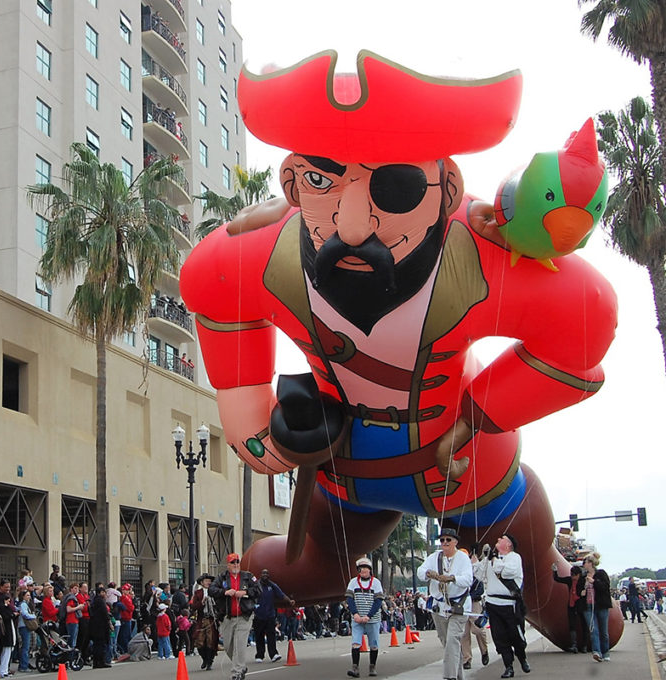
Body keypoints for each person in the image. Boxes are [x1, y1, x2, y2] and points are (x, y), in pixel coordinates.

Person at [179, 50, 619, 655]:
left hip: (471, 475)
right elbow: (208, 283)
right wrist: (258, 428)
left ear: (449, 190)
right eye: (321, 181)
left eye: (396, 186)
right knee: (301, 573)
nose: (353, 224)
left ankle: (570, 596)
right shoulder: (267, 255)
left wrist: (478, 415)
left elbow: (586, 320)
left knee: (564, 617)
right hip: (348, 478)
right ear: (290, 180)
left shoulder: (477, 252)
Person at [418, 527, 472, 680]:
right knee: (447, 642)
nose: (445, 542)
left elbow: (468, 580)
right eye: (442, 540)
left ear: (455, 542)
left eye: (448, 540)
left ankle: (450, 677)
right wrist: (429, 573)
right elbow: (420, 572)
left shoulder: (463, 558)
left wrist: (452, 578)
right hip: (439, 607)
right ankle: (459, 675)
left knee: (452, 642)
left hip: (458, 607)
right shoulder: (434, 557)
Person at [209, 553, 261, 680]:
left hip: (244, 616)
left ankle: (236, 672)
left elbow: (258, 590)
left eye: (237, 562)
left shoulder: (248, 576)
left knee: (240, 644)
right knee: (227, 646)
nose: (236, 564)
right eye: (233, 562)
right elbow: (211, 590)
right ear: (228, 565)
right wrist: (225, 592)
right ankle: (241, 665)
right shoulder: (221, 577)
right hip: (227, 617)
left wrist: (245, 592)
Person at [483, 534, 528, 677]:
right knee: (499, 636)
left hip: (510, 605)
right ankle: (508, 666)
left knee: (516, 636)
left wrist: (494, 559)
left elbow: (508, 572)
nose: (497, 540)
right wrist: (479, 558)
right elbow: (479, 574)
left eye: (501, 539)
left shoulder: (514, 557)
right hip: (493, 604)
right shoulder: (491, 559)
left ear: (508, 544)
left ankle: (522, 658)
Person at [345, 558, 383, 678]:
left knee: (373, 644)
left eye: (366, 568)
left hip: (372, 619)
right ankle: (355, 667)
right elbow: (349, 599)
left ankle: (372, 666)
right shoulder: (353, 582)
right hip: (357, 618)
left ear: (370, 570)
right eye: (361, 568)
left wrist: (369, 616)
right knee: (356, 643)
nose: (363, 570)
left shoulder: (376, 583)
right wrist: (355, 614)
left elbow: (378, 601)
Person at [461, 546, 489, 669]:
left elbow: (480, 589)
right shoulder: (457, 572)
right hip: (461, 605)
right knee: (464, 633)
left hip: (473, 603)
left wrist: (468, 597)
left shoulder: (475, 573)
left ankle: (484, 651)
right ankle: (467, 659)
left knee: (477, 629)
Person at [252, 569, 287, 664]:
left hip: (270, 615)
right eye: (263, 573)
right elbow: (250, 596)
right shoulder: (256, 585)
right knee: (259, 636)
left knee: (271, 635)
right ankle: (259, 655)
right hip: (258, 615)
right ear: (260, 575)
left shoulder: (272, 585)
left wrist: (289, 601)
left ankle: (273, 654)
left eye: (267, 573)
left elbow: (281, 594)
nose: (265, 575)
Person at [552, 564, 588, 653]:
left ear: (579, 575)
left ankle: (584, 645)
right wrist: (555, 571)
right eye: (572, 575)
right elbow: (557, 579)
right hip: (572, 605)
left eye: (574, 575)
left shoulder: (583, 581)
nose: (573, 577)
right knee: (572, 625)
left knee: (584, 625)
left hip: (581, 605)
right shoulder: (569, 580)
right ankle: (574, 645)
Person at [582, 553, 612, 662]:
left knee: (603, 631)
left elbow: (605, 587)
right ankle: (597, 652)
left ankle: (605, 652)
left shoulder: (601, 574)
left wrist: (594, 582)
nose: (583, 565)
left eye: (585, 563)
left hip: (601, 605)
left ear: (590, 563)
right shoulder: (584, 576)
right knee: (593, 630)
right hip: (588, 606)